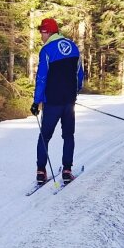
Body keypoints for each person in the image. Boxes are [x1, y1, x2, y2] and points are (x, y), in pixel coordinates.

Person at [31, 17, 85, 185]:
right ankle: (67, 170)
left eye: (42, 32)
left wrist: (36, 101)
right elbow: (79, 73)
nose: (41, 36)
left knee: (45, 136)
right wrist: (75, 90)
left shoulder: (47, 50)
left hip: (52, 102)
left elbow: (41, 78)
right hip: (69, 102)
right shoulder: (73, 47)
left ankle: (41, 171)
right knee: (68, 135)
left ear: (48, 32)